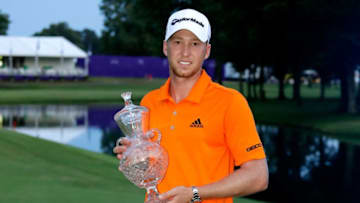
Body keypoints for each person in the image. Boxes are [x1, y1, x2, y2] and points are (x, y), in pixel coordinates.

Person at [113, 8, 268, 203]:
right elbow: (151, 168)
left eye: (195, 43)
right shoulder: (149, 103)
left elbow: (258, 177)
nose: (185, 52)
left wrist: (194, 194)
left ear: (207, 51)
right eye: (177, 42)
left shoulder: (230, 102)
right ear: (165, 47)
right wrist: (134, 155)